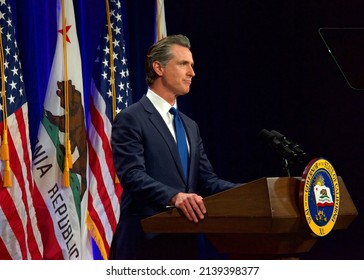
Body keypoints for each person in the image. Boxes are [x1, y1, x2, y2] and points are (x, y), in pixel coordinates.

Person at [110, 34, 238, 260]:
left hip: (184, 244)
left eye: (192, 66)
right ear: (158, 67)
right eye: (183, 64)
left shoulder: (190, 126)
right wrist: (175, 197)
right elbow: (132, 175)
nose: (192, 73)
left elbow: (207, 181)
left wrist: (250, 191)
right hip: (143, 245)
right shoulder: (132, 118)